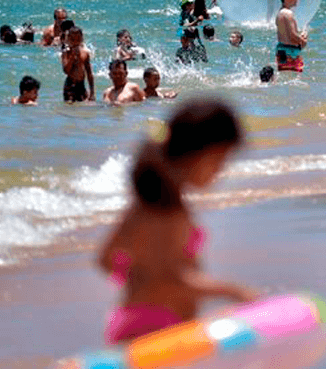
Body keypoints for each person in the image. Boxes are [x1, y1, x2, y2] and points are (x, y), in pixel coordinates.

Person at [98, 98, 258, 344]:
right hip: (158, 328)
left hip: (132, 320)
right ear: (197, 153)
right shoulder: (171, 212)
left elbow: (105, 258)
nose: (220, 171)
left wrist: (140, 278)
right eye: (219, 160)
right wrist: (233, 292)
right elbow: (171, 278)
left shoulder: (143, 205)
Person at [275, 0, 308, 72]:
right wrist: (303, 40)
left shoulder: (280, 13)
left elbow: (285, 34)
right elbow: (292, 35)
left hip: (281, 50)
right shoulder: (289, 13)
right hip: (291, 52)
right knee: (296, 79)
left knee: (284, 78)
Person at [61, 26, 95, 103]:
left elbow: (89, 73)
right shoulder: (66, 53)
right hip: (70, 85)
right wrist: (72, 57)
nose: (75, 42)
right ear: (68, 39)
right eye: (72, 40)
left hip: (81, 84)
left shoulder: (85, 53)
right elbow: (66, 70)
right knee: (70, 107)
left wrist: (92, 92)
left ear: (82, 39)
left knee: (84, 106)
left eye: (78, 39)